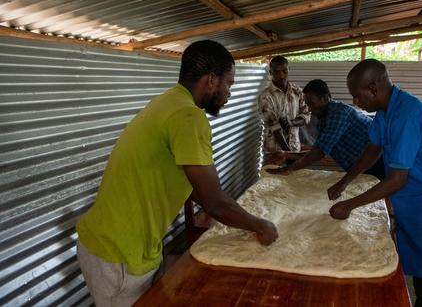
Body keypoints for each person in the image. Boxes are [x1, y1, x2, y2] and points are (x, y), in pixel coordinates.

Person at [76, 40, 278, 306]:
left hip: (120, 244)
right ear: (211, 80)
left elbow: (194, 186)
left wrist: (229, 214)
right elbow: (213, 201)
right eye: (228, 83)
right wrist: (260, 225)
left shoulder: (168, 101)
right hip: (118, 254)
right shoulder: (188, 117)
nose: (229, 93)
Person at [328, 59, 422, 307]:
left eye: (357, 96)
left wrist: (350, 205)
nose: (356, 102)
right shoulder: (385, 110)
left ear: (374, 88)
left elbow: (398, 179)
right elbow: (373, 148)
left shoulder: (407, 114)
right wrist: (346, 180)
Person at [268, 78, 385, 180]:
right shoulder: (323, 121)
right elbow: (318, 150)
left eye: (311, 104)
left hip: (379, 161)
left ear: (325, 98)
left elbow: (318, 153)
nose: (309, 109)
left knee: (387, 197)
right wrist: (286, 154)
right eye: (307, 105)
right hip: (363, 167)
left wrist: (288, 169)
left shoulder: (338, 113)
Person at [257, 56, 310, 154]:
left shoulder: (298, 92)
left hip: (294, 148)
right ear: (270, 73)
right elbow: (274, 127)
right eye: (277, 72)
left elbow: (306, 116)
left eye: (284, 71)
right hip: (274, 152)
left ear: (289, 70)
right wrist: (288, 154)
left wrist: (291, 122)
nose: (281, 75)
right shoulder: (265, 97)